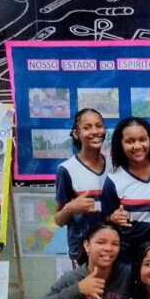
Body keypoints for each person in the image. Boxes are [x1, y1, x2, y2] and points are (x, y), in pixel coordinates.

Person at [101, 117, 150, 265]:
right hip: (130, 259)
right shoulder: (114, 180)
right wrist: (111, 218)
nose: (138, 146)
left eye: (142, 139)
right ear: (120, 145)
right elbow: (105, 219)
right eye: (130, 141)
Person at [55, 109, 109, 262]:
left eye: (99, 126)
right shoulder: (66, 170)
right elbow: (58, 220)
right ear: (76, 133)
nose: (95, 131)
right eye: (87, 127)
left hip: (112, 250)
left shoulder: (115, 166)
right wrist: (70, 208)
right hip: (82, 254)